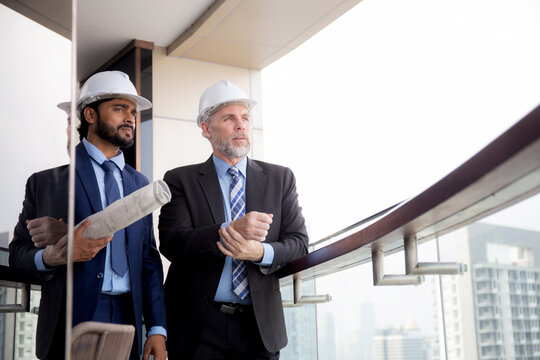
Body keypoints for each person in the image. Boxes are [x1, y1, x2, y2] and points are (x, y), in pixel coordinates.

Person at [9, 71, 167, 360]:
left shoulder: (140, 184)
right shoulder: (46, 183)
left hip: (128, 315)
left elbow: (148, 260)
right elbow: (17, 254)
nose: (130, 117)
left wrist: (157, 328)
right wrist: (50, 257)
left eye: (132, 111)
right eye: (119, 109)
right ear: (91, 115)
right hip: (70, 317)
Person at [159, 80, 309, 359]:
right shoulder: (180, 179)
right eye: (229, 118)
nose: (240, 125)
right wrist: (227, 231)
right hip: (198, 327)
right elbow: (172, 243)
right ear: (206, 129)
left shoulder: (280, 178)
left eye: (245, 118)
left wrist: (260, 252)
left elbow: (299, 243)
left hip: (259, 328)